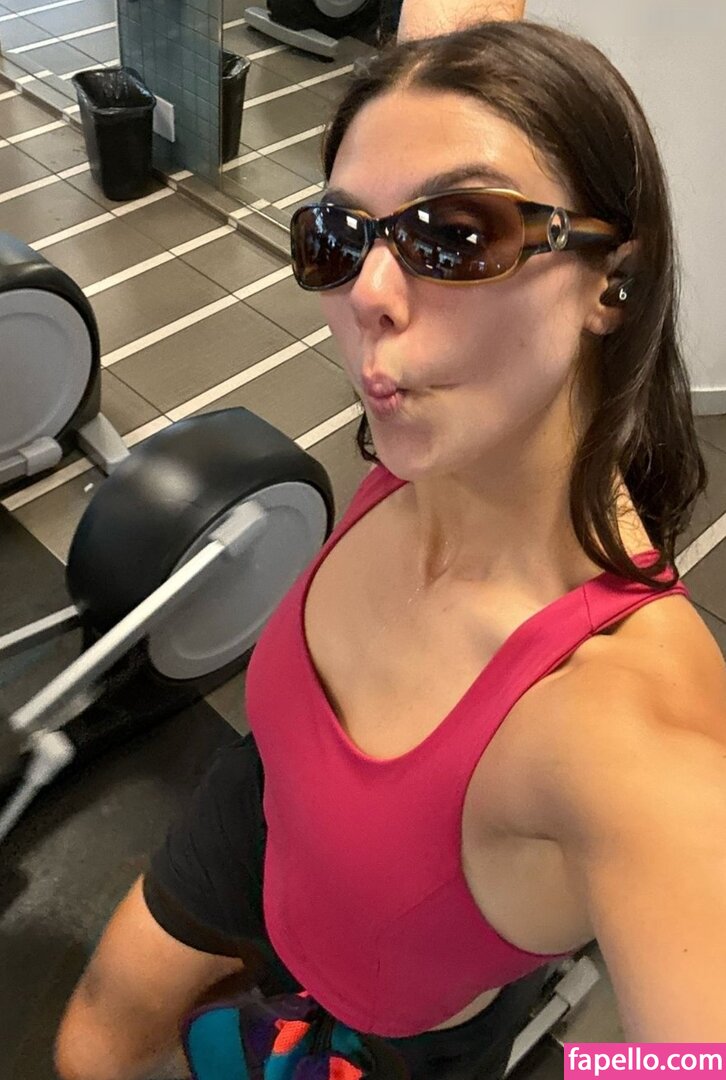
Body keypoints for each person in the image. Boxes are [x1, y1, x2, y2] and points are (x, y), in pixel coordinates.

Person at [55, 5, 726, 1080]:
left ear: (616, 280)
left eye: (455, 235)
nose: (365, 295)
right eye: (337, 235)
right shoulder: (424, 461)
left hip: (403, 1017)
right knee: (90, 1045)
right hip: (268, 802)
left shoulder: (630, 725)